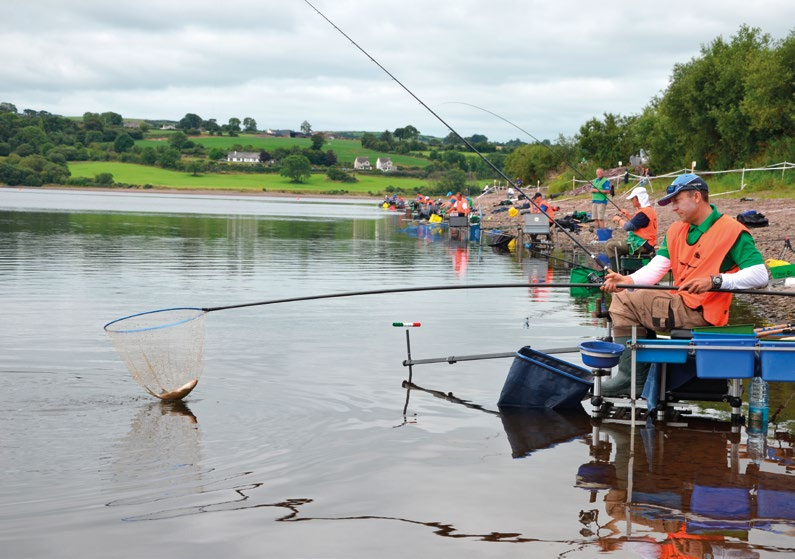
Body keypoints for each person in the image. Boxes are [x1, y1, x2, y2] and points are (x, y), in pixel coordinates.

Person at [599, 173, 768, 397]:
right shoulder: (676, 230)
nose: (673, 208)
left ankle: (631, 379)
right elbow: (658, 267)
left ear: (696, 196)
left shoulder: (732, 230)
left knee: (622, 301)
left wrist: (715, 281)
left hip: (701, 313)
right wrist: (627, 280)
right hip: (679, 302)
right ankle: (645, 373)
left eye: (677, 201)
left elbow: (760, 275)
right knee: (627, 293)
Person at [603, 186, 657, 271]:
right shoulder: (647, 211)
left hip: (642, 245)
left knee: (610, 246)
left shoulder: (643, 213)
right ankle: (621, 269)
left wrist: (619, 219)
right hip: (642, 242)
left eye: (632, 199)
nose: (632, 201)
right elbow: (637, 225)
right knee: (609, 241)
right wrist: (628, 215)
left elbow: (628, 227)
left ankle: (616, 274)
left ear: (637, 198)